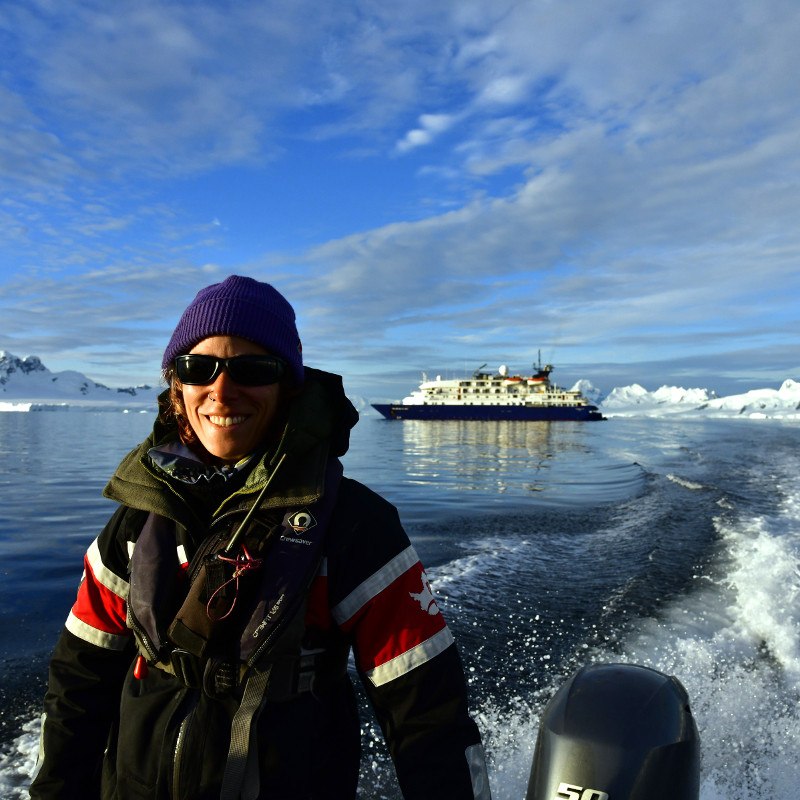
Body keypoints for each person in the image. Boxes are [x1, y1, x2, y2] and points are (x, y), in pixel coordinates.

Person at [30, 275, 491, 800]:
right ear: (176, 385)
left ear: (288, 387)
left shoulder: (355, 527)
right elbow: (78, 683)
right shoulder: (138, 519)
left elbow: (429, 720)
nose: (221, 391)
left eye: (252, 369)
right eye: (198, 367)